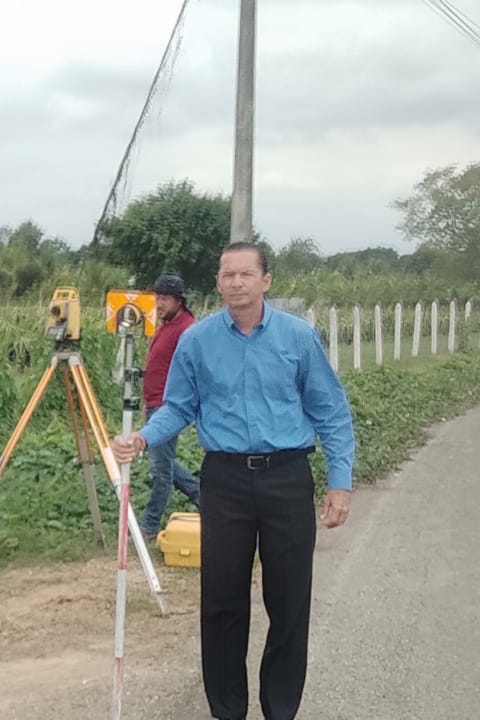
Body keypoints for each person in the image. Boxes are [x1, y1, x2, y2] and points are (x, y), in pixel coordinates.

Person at [112, 241, 356, 720]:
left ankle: (280, 709)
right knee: (222, 602)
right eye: (228, 275)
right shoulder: (197, 341)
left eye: (246, 274)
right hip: (224, 481)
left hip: (286, 477)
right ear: (218, 283)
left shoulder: (297, 338)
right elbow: (178, 407)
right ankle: (227, 710)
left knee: (289, 602)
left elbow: (330, 411)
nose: (237, 283)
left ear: (266, 280)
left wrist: (339, 481)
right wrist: (142, 438)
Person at [137, 273, 201, 541]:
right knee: (163, 461)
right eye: (157, 298)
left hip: (168, 408)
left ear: (179, 301)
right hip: (154, 402)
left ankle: (149, 526)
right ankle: (201, 495)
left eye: (164, 299)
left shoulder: (187, 329)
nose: (159, 303)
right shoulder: (165, 325)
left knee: (160, 469)